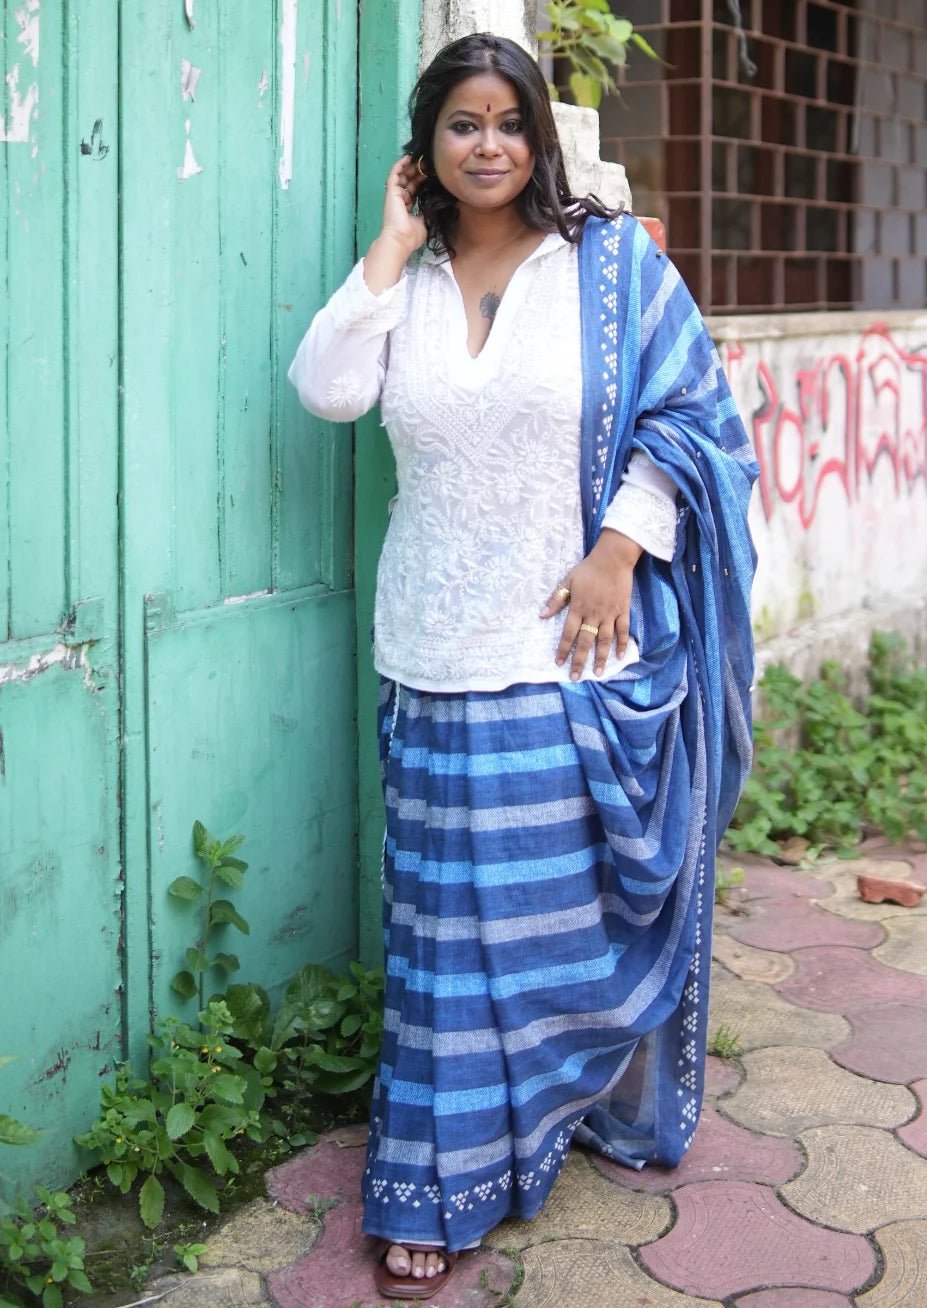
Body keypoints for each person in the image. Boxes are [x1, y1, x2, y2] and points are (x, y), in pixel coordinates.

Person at [288, 31, 757, 1302]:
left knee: (553, 923)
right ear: (426, 146)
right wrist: (388, 247)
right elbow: (326, 389)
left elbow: (698, 420)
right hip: (433, 650)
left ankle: (548, 1111)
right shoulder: (413, 280)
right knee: (448, 939)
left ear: (538, 137)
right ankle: (432, 1182)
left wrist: (620, 543)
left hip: (566, 650)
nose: (486, 145)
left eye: (507, 123)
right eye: (460, 125)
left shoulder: (607, 271)